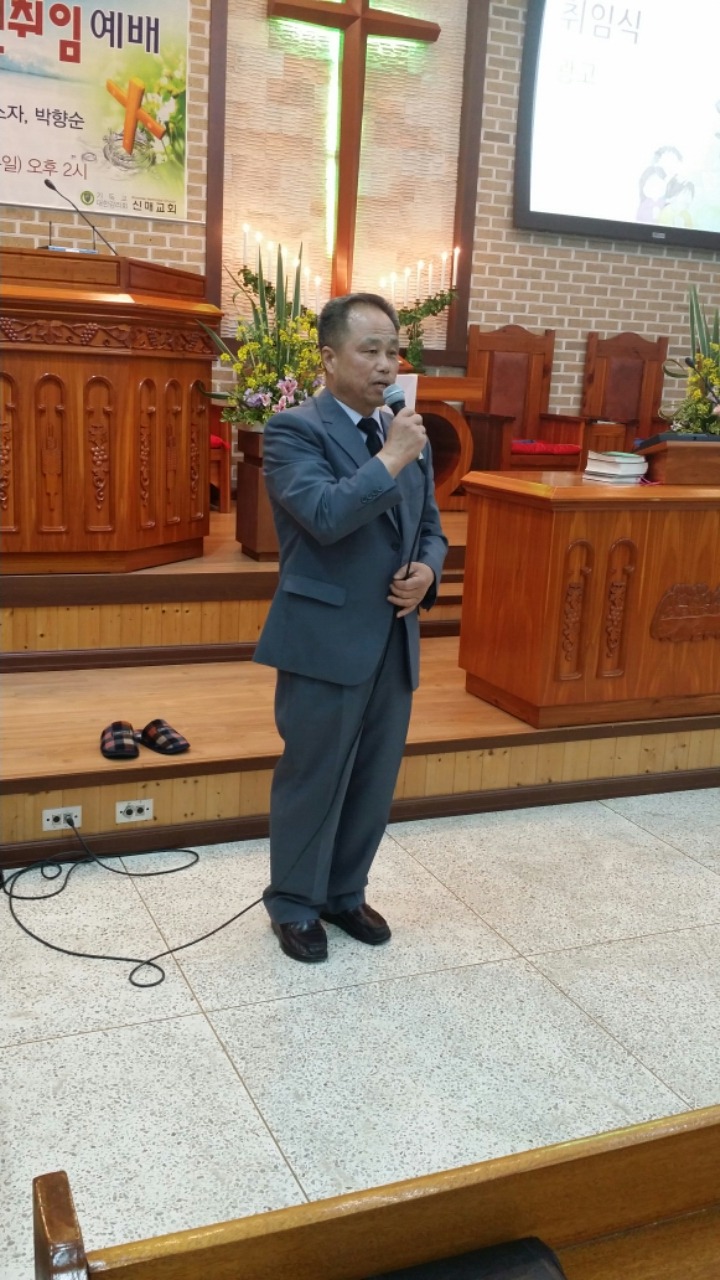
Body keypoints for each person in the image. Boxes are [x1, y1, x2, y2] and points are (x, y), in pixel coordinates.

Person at [254, 292, 448, 962]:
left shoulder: (403, 431)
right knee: (314, 776)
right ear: (329, 358)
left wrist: (427, 572)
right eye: (371, 350)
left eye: (394, 351)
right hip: (325, 635)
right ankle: (294, 903)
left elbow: (430, 528)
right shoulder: (293, 431)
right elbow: (326, 516)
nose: (387, 365)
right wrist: (391, 458)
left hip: (393, 636)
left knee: (372, 778)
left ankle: (343, 892)